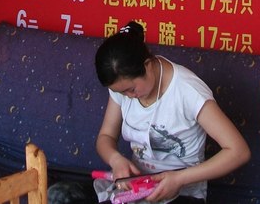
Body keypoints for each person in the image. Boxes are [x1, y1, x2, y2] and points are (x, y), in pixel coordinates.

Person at [94, 21, 250, 204]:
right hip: (139, 186)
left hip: (184, 192)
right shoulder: (122, 87)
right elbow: (105, 136)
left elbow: (238, 151)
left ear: (147, 65)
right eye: (122, 93)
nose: (129, 96)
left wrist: (179, 179)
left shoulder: (187, 91)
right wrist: (115, 160)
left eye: (131, 89)